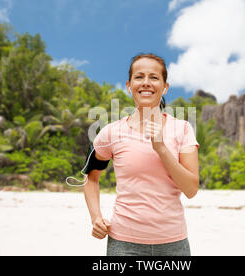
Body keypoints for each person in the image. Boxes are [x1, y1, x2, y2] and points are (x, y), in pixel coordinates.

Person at [83, 53, 200, 256]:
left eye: (154, 77)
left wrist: (161, 148)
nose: (146, 83)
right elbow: (90, 177)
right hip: (123, 244)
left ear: (165, 87)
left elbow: (190, 189)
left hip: (173, 244)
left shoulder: (182, 129)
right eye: (139, 77)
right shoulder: (111, 133)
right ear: (129, 85)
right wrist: (96, 217)